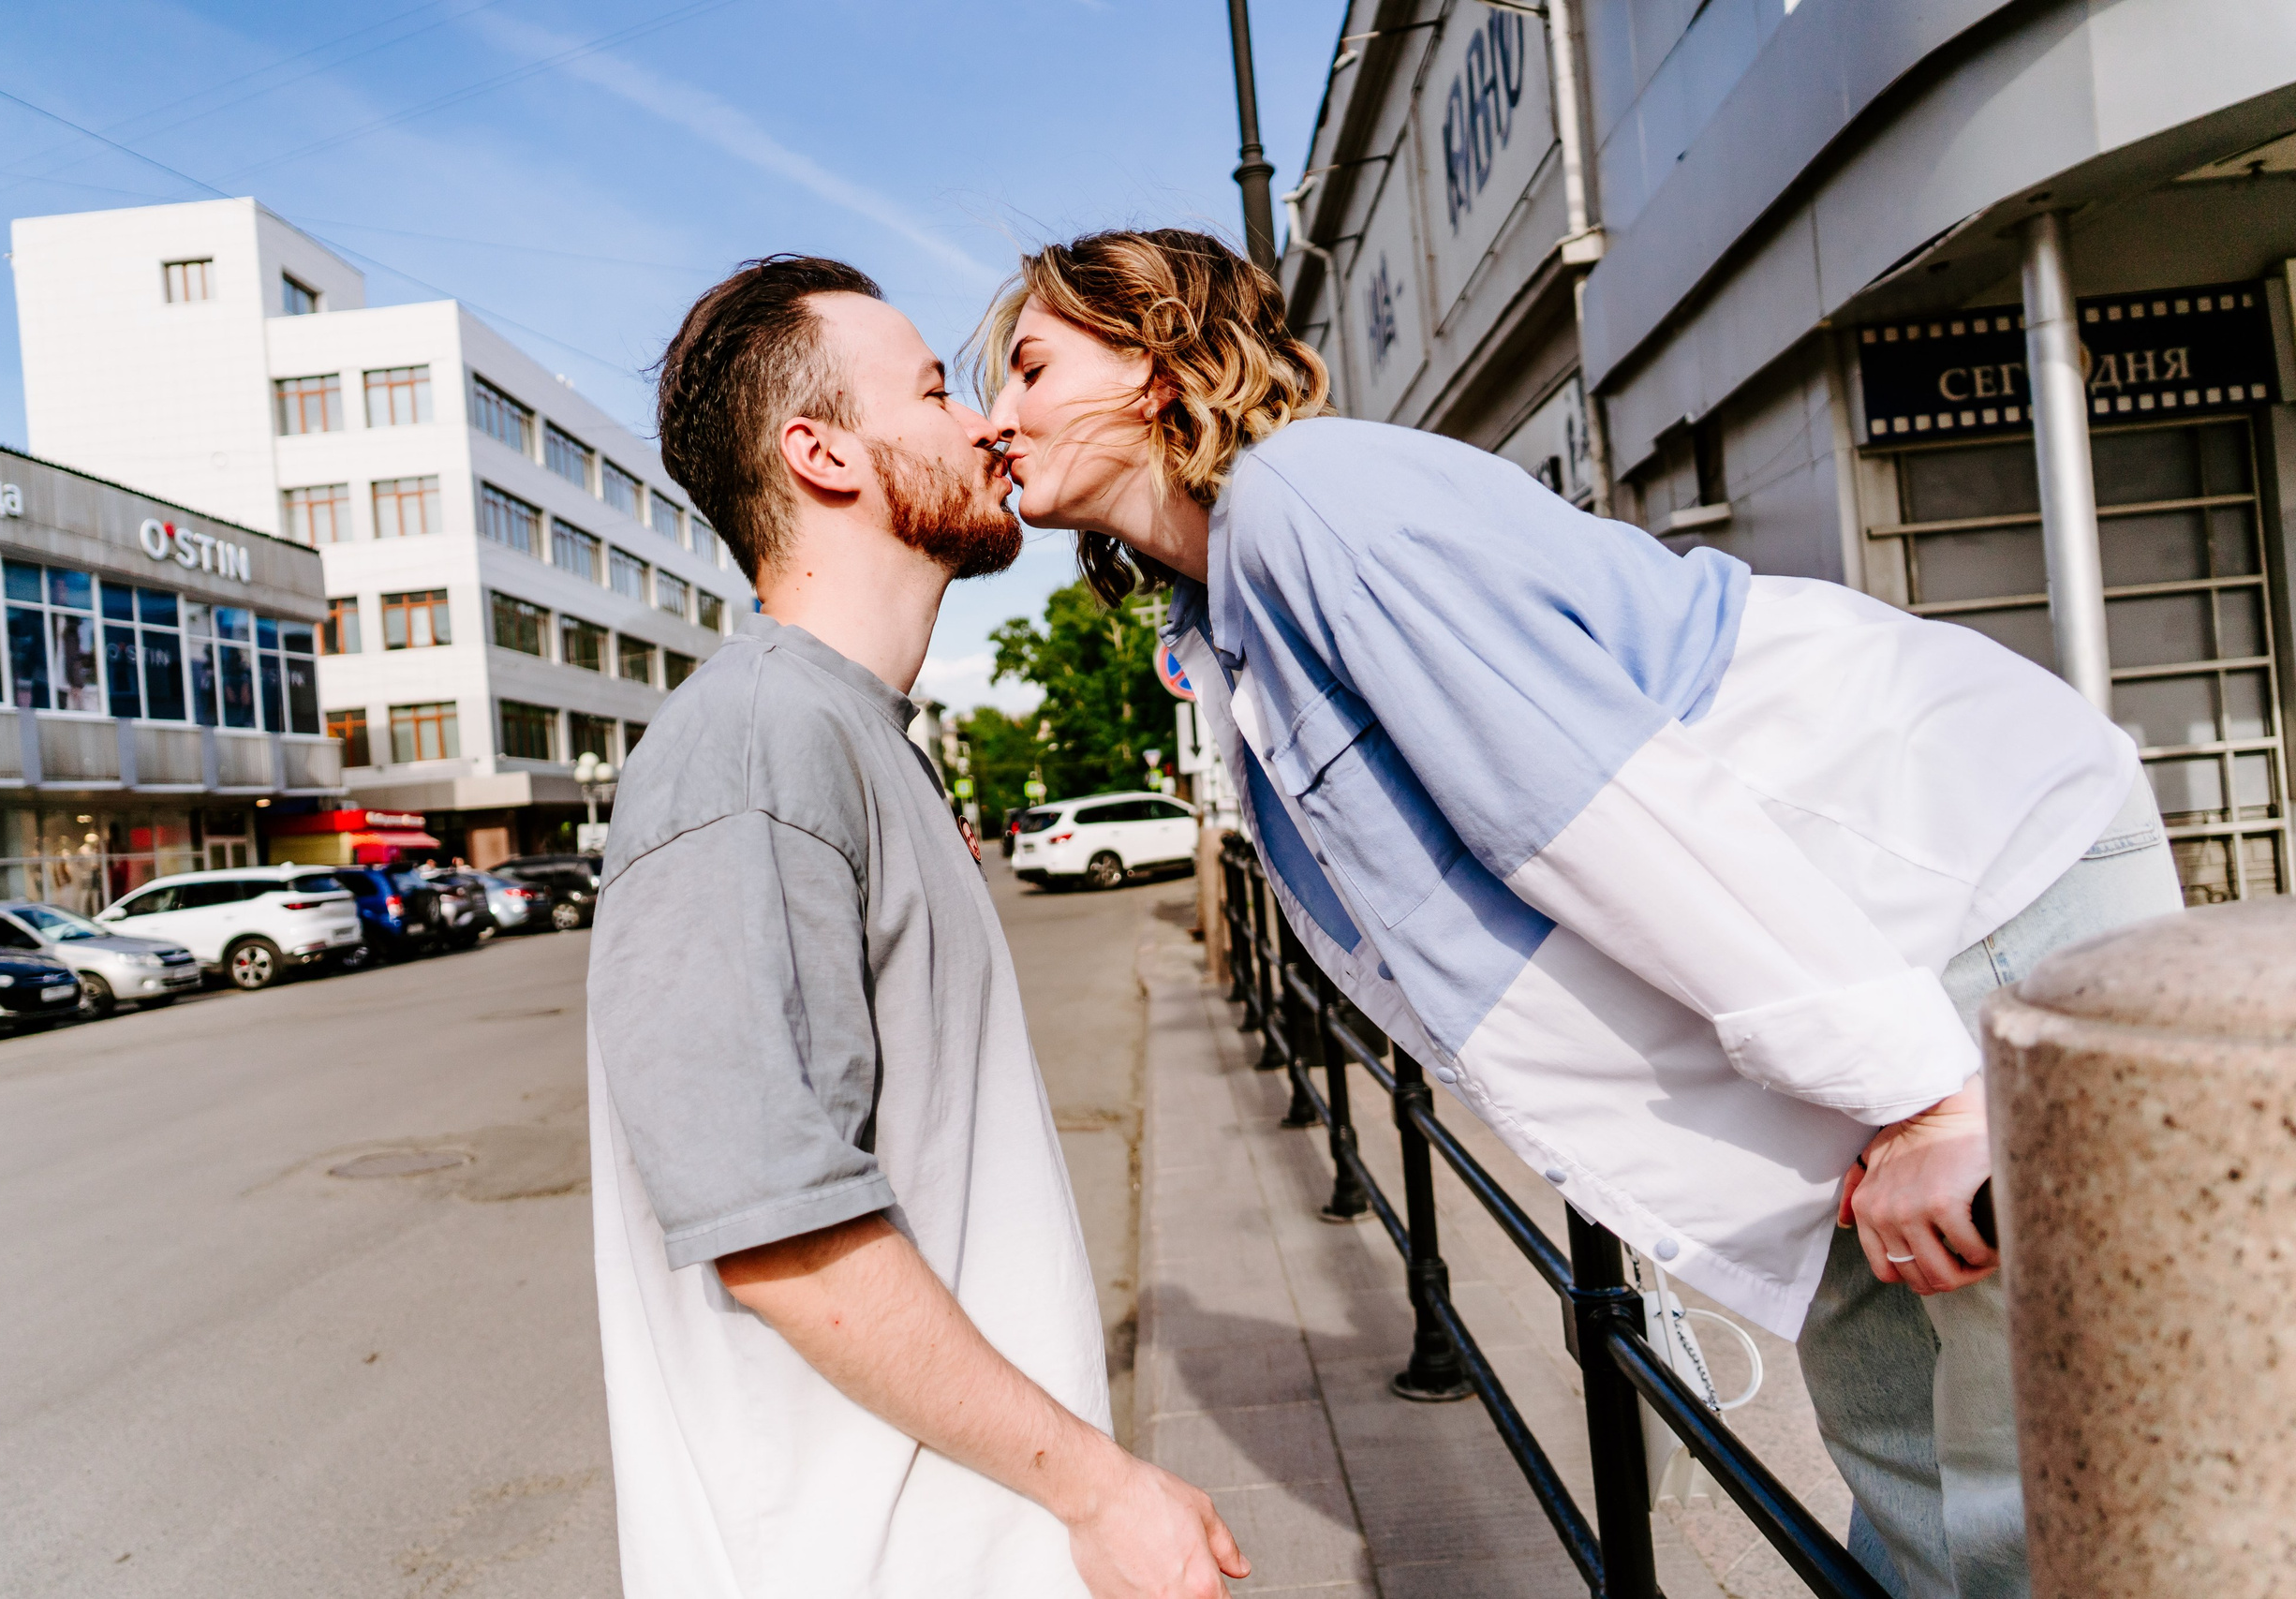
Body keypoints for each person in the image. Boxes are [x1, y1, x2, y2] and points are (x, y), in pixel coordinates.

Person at [977, 228, 2183, 1599]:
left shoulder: (1309, 500)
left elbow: (1609, 813)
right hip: (1837, 981)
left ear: (1160, 357)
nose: (993, 418)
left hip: (1947, 889)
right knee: (1924, 1503)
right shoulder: (1226, 605)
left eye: (1028, 365)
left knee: (2064, 1510)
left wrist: (1923, 1104)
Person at [588, 255, 1247, 1599]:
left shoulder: (851, 736)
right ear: (821, 455)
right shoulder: (758, 745)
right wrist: (1099, 1487)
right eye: (940, 390)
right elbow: (773, 1231)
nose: (988, 422)